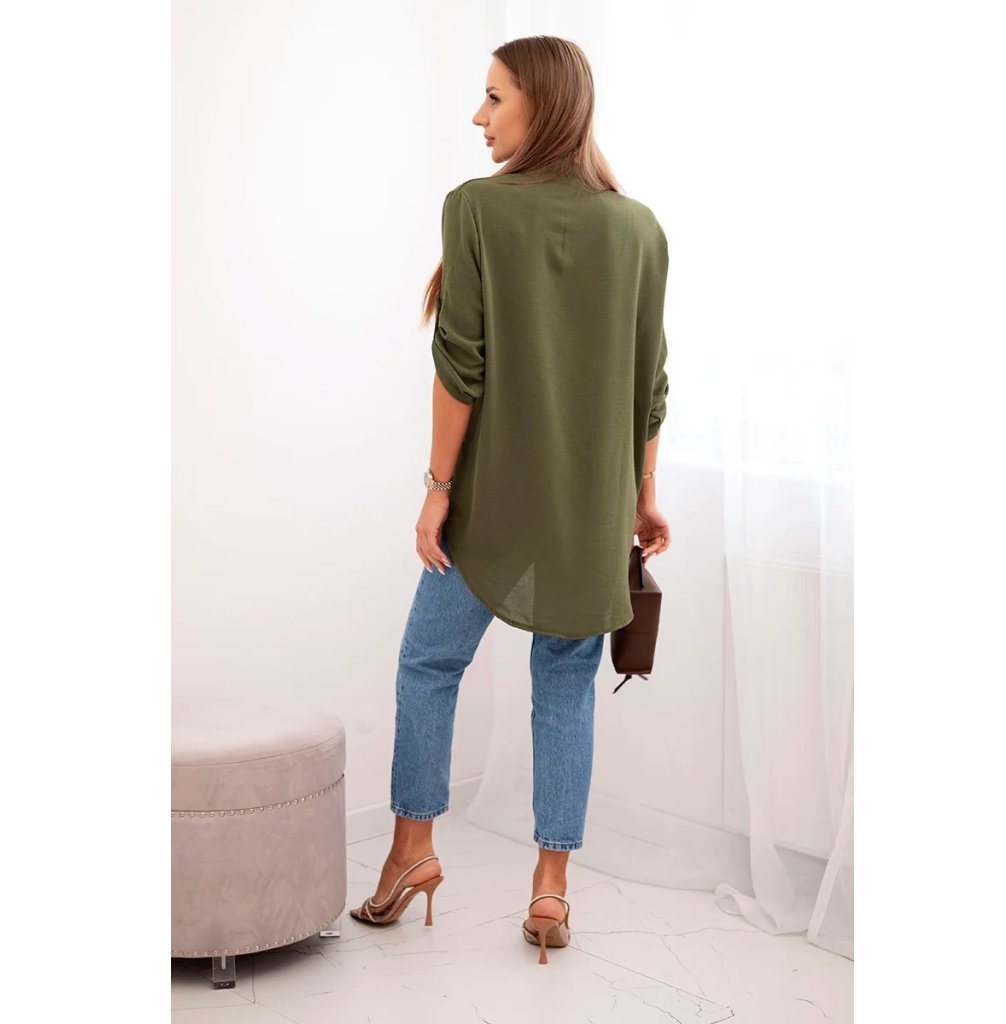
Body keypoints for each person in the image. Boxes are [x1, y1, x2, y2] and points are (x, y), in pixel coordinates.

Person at [350, 35, 671, 962]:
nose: (479, 116)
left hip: (491, 505)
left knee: (428, 665)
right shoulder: (639, 228)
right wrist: (643, 497)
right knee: (564, 688)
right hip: (590, 513)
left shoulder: (478, 209)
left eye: (494, 97)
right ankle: (551, 889)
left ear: (543, 103)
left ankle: (412, 852)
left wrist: (436, 492)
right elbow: (650, 383)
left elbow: (461, 366)